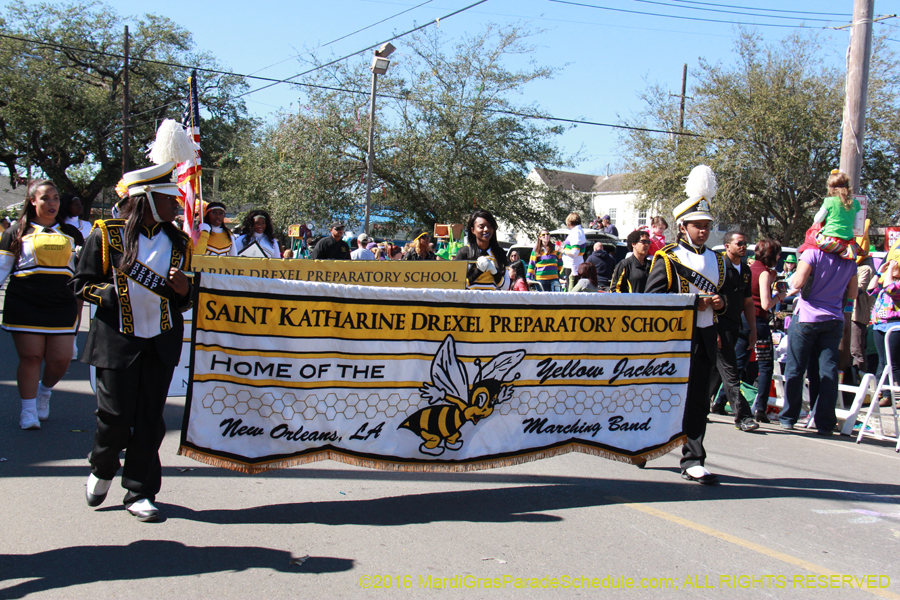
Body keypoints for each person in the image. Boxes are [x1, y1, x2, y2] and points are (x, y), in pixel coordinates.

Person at [71, 161, 193, 522]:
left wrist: (185, 290)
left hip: (161, 339)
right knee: (114, 416)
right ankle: (103, 466)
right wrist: (113, 295)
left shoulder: (179, 241)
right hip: (116, 339)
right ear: (149, 199)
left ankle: (140, 490)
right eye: (170, 199)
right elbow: (81, 284)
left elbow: (185, 297)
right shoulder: (105, 234)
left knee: (150, 419)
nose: (176, 205)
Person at [646, 164, 725, 485]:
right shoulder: (668, 258)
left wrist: (721, 304)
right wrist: (695, 303)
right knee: (662, 398)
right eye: (696, 225)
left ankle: (693, 458)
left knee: (697, 402)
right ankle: (648, 442)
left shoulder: (719, 261)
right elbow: (652, 302)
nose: (703, 230)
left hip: (705, 337)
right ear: (683, 226)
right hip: (675, 340)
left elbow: (728, 300)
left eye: (706, 225)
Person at [0, 180, 83, 430]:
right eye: (46, 198)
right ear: (33, 201)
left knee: (61, 360)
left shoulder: (72, 234)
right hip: (25, 301)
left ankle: (44, 392)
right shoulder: (15, 232)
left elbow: (81, 274)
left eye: (56, 198)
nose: (52, 203)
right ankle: (28, 411)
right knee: (31, 356)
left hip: (61, 304)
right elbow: (2, 269)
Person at [779, 245, 858, 434]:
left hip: (806, 316)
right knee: (828, 371)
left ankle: (789, 417)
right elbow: (853, 294)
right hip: (833, 319)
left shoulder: (812, 253)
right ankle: (825, 422)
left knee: (796, 367)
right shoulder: (850, 259)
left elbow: (797, 283)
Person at [708, 231, 759, 432]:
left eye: (745, 243)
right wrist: (715, 330)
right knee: (730, 372)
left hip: (735, 325)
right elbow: (710, 299)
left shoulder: (745, 270)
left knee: (715, 371)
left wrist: (753, 329)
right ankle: (743, 416)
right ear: (727, 246)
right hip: (717, 326)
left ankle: (699, 408)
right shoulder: (718, 268)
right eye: (739, 243)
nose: (743, 246)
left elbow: (748, 303)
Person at [742, 238, 786, 423]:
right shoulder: (764, 274)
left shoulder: (750, 269)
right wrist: (780, 296)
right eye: (777, 254)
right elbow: (766, 303)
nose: (778, 257)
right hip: (758, 321)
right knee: (766, 365)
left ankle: (721, 400)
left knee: (738, 362)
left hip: (742, 319)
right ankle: (760, 408)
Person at [869, 260, 900, 407]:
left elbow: (889, 288)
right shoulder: (884, 284)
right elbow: (870, 289)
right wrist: (880, 271)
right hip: (879, 325)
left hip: (894, 326)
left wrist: (892, 269)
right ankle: (887, 394)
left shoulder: (896, 285)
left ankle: (892, 394)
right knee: (883, 362)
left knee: (892, 363)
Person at [454, 209, 509, 291]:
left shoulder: (500, 252)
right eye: (481, 227)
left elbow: (506, 286)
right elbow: (456, 286)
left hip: (491, 302)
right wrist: (478, 271)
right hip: (469, 302)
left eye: (489, 226)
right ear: (473, 230)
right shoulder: (464, 252)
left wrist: (494, 271)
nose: (486, 229)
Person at [812, 169, 861, 259]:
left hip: (830, 242)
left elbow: (817, 220)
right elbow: (856, 225)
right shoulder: (855, 203)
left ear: (831, 188)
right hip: (847, 245)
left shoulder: (829, 201)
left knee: (805, 246)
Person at [561, 212, 586, 289]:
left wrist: (562, 250)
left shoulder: (576, 233)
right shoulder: (578, 231)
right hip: (574, 264)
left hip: (572, 265)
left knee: (571, 289)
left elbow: (575, 252)